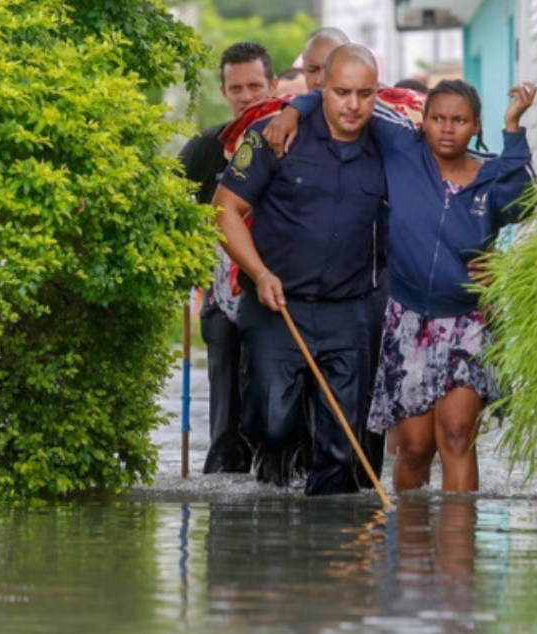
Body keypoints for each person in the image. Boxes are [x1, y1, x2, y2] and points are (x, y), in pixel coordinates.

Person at [268, 79, 537, 492]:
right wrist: (294, 109)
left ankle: (456, 552)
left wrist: (514, 129)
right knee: (413, 447)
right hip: (409, 320)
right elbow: (347, 97)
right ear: (422, 122)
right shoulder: (402, 149)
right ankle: (410, 552)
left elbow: (528, 201)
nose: (448, 128)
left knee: (457, 434)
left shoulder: (494, 175)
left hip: (470, 321)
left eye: (460, 120)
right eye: (438, 119)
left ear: (476, 126)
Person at [211, 44, 387, 495]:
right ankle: (272, 508)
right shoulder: (273, 134)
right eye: (341, 92)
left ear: (376, 93)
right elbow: (224, 210)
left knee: (341, 449)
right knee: (272, 423)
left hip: (348, 313)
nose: (352, 105)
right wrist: (260, 272)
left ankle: (328, 547)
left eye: (364, 94)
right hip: (276, 305)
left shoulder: (389, 143)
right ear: (320, 88)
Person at [179, 41, 277, 474]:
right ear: (224, 91)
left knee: (271, 394)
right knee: (224, 400)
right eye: (236, 88)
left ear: (272, 85)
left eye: (255, 85)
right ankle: (223, 480)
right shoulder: (205, 148)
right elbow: (171, 209)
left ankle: (274, 473)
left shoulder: (289, 142)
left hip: (274, 289)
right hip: (220, 296)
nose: (246, 96)